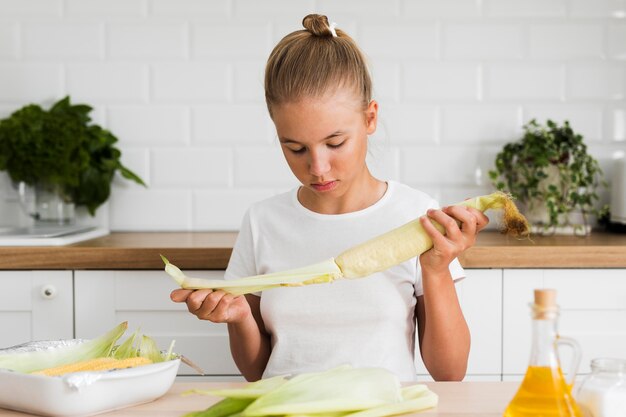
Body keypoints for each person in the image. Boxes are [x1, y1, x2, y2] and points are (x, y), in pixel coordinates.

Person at [171, 14, 488, 382]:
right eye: (295, 148)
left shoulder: (416, 216)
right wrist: (240, 316)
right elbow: (256, 371)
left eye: (335, 143)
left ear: (370, 118)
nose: (318, 167)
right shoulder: (263, 222)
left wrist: (436, 269)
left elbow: (450, 372)